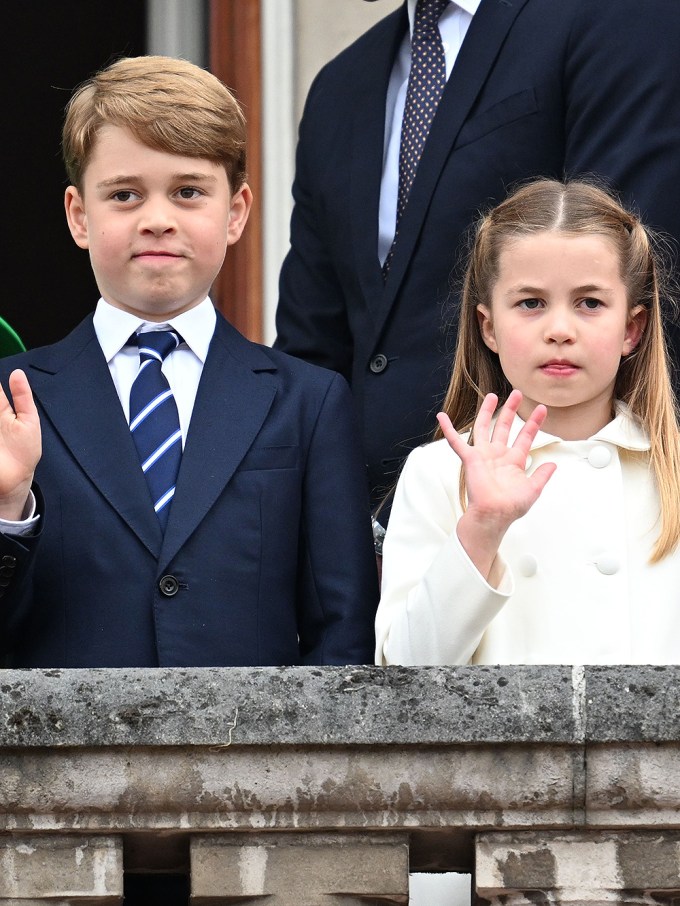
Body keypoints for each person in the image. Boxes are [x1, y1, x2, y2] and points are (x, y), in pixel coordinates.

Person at [0, 55, 378, 669]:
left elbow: (342, 634)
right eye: (124, 195)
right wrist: (8, 510)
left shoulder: (308, 402)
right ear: (78, 215)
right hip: (63, 761)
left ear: (235, 213)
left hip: (255, 759)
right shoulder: (12, 400)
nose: (157, 219)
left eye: (188, 192)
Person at [275, 0, 680, 524]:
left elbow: (634, 278)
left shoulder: (619, 16)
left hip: (558, 504)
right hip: (364, 536)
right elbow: (313, 346)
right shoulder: (341, 84)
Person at [375, 178, 680, 666]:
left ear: (632, 328)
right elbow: (406, 674)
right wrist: (482, 528)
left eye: (590, 303)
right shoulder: (436, 473)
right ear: (488, 327)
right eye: (531, 303)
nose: (559, 330)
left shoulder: (673, 473)